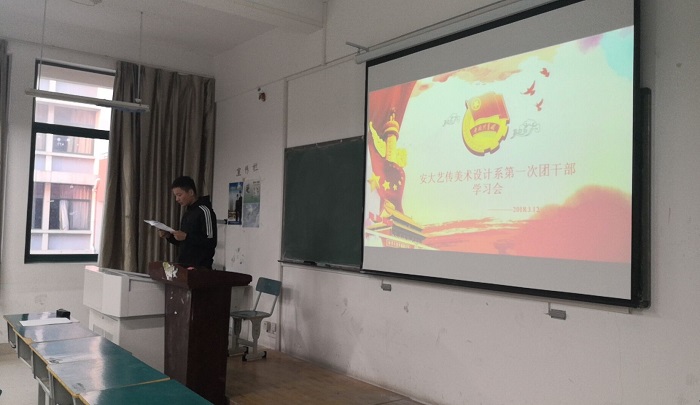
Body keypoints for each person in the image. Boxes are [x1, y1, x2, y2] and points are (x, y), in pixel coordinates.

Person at [159, 176, 217, 268]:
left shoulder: (205, 211)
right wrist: (169, 236)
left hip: (200, 268)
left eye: (179, 195)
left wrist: (186, 237)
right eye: (175, 196)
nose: (177, 199)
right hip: (184, 266)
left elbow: (211, 242)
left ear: (191, 192)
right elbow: (185, 243)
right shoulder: (188, 212)